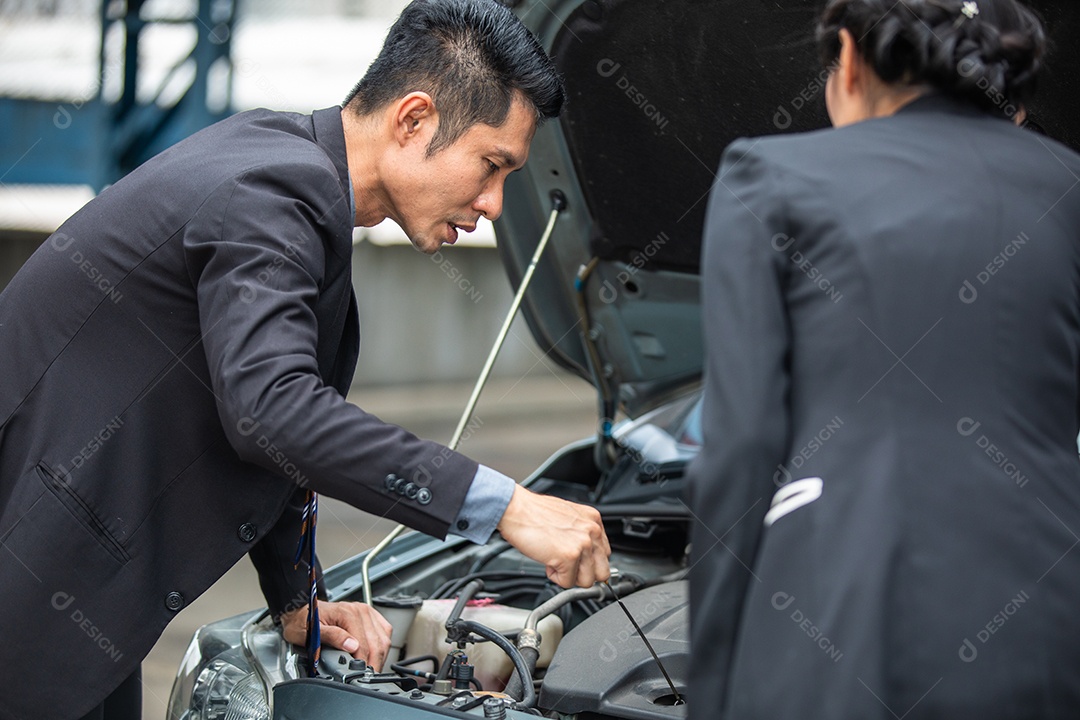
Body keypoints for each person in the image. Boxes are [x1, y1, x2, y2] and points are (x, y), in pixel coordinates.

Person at [0, 1, 611, 718]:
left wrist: (298, 598)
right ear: (413, 120)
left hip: (75, 594)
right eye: (491, 165)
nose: (496, 204)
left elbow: (266, 431)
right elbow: (271, 411)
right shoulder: (275, 194)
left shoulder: (284, 170)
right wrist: (505, 505)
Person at [688, 0, 1080, 717]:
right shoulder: (1067, 185)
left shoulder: (768, 176)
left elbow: (742, 449)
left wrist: (712, 687)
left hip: (843, 632)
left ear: (848, 55)